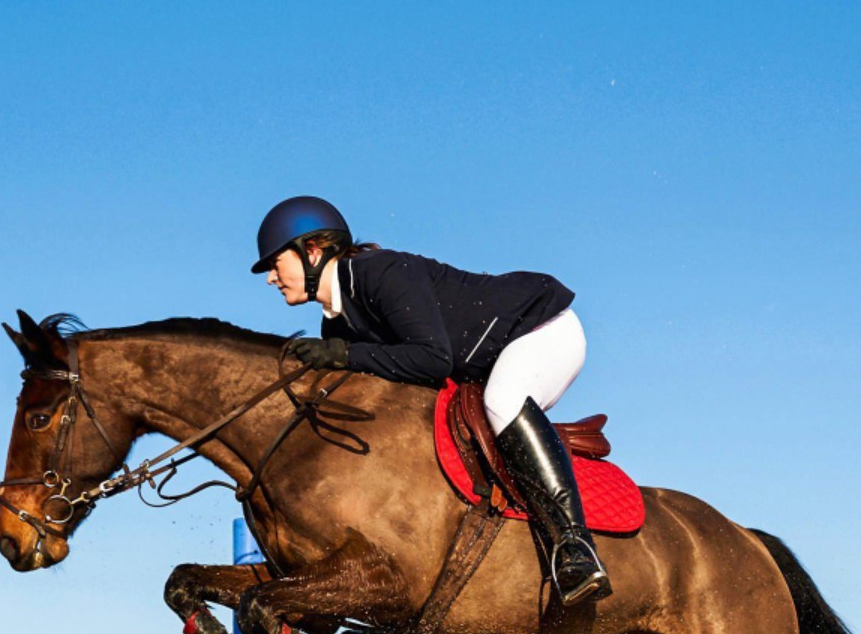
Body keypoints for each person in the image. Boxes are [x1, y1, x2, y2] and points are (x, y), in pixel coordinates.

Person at [251, 195, 612, 605]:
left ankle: (575, 547)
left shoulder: (378, 273)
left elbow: (432, 357)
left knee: (502, 399)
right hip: (485, 359)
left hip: (540, 329)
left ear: (312, 251)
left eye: (275, 263)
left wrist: (344, 355)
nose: (270, 278)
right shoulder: (339, 319)